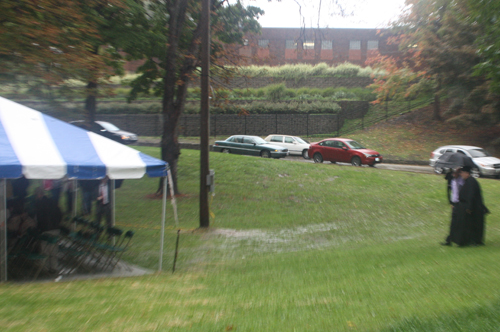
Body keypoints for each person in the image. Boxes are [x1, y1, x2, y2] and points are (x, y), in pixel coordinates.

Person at [455, 166, 489, 246]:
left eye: (462, 173)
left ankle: (475, 241)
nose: (461, 174)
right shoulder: (468, 181)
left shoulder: (471, 182)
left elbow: (471, 196)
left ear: (467, 173)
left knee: (475, 224)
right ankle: (472, 240)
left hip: (475, 207)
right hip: (473, 206)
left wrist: (469, 207)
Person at [441, 168, 464, 246]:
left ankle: (459, 240)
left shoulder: (461, 181)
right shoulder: (453, 181)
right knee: (453, 223)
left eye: (455, 173)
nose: (453, 174)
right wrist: (451, 203)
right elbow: (453, 193)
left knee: (459, 222)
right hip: (455, 204)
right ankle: (449, 240)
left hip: (460, 204)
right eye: (453, 173)